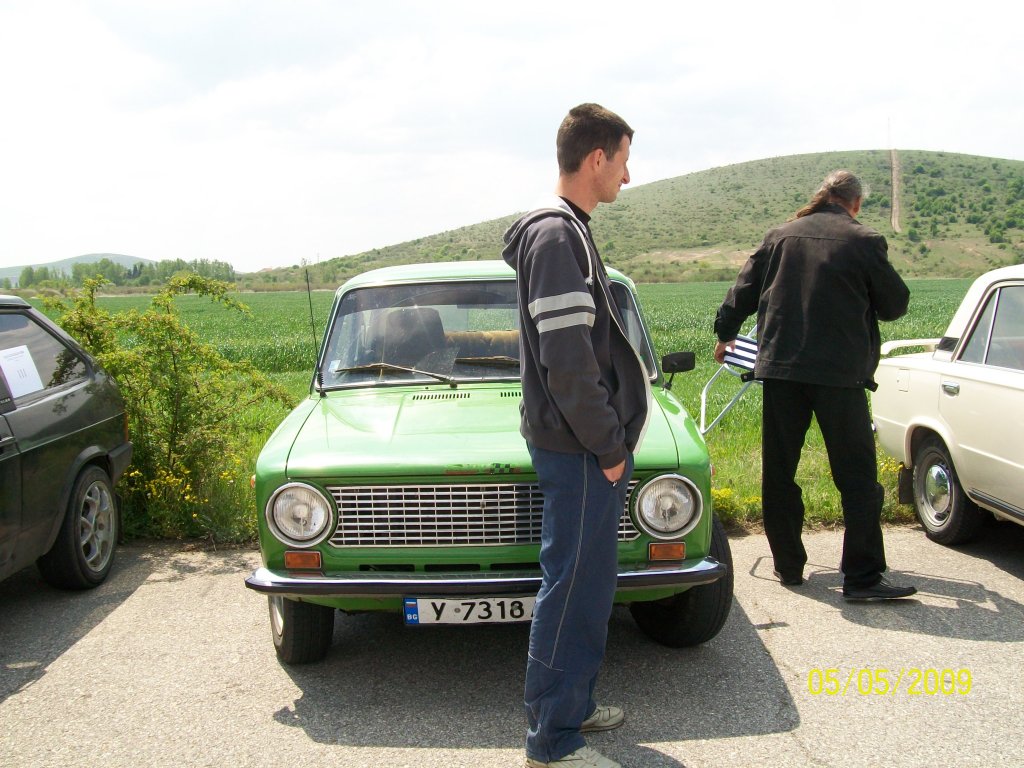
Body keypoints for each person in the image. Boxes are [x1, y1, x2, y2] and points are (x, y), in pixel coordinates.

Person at [502, 103, 650, 768]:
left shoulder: (568, 232)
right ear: (596, 159)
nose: (627, 175)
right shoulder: (557, 237)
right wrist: (609, 448)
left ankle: (574, 706)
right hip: (582, 448)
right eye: (623, 160)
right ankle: (554, 741)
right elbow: (568, 362)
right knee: (572, 591)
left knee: (588, 588)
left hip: (581, 446)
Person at [713, 169, 917, 602]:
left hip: (782, 371)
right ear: (855, 203)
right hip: (840, 376)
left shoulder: (779, 236)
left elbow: (741, 291)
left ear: (823, 196)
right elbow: (895, 304)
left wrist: (725, 335)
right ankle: (862, 577)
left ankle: (788, 567)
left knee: (780, 471)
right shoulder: (864, 240)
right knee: (857, 477)